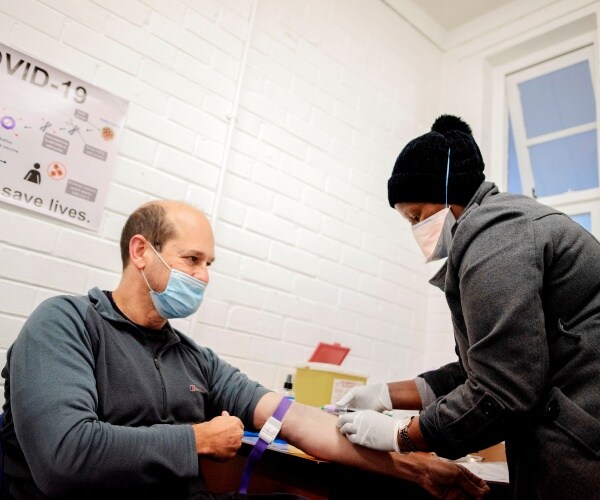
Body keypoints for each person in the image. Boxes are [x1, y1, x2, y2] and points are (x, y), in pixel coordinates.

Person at [0, 200, 489, 499]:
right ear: (140, 252)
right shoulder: (65, 323)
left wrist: (414, 463)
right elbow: (64, 457)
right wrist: (196, 440)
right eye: (191, 259)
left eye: (208, 262)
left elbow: (298, 421)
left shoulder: (195, 358)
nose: (204, 276)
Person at [335, 114, 600, 499]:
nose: (415, 230)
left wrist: (402, 434)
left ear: (448, 191)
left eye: (417, 216)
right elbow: (479, 368)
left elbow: (502, 390)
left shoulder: (495, 235)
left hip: (583, 448)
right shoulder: (501, 228)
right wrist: (384, 395)